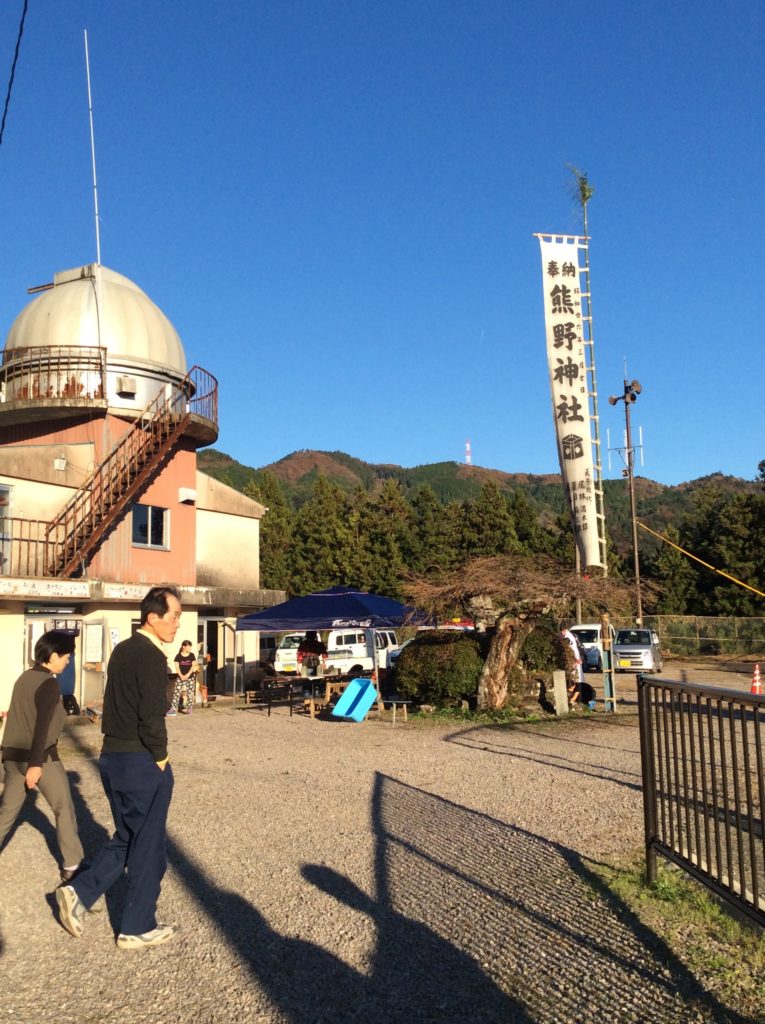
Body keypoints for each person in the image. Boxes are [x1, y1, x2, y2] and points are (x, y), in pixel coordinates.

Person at [56, 586, 181, 949]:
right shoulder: (151, 656)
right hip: (142, 759)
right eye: (173, 616)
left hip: (113, 756)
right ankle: (137, 927)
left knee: (128, 836)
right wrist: (160, 757)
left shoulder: (124, 650)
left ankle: (78, 892)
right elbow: (150, 715)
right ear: (152, 617)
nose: (177, 623)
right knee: (148, 846)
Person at [0, 630, 84, 881]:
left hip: (13, 757)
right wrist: (36, 765)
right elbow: (42, 728)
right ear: (54, 655)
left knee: (7, 811)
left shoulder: (24, 678)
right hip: (40, 759)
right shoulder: (49, 684)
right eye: (66, 656)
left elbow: (17, 717)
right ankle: (72, 864)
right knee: (64, 808)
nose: (68, 661)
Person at [167, 640, 198, 716]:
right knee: (176, 693)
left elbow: (193, 665)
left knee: (190, 693)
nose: (190, 648)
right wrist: (181, 675)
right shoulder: (178, 656)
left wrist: (187, 675)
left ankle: (189, 709)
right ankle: (173, 710)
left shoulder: (192, 655)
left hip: (190, 677)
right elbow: (177, 666)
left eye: (190, 646)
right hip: (180, 677)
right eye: (188, 646)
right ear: (183, 646)